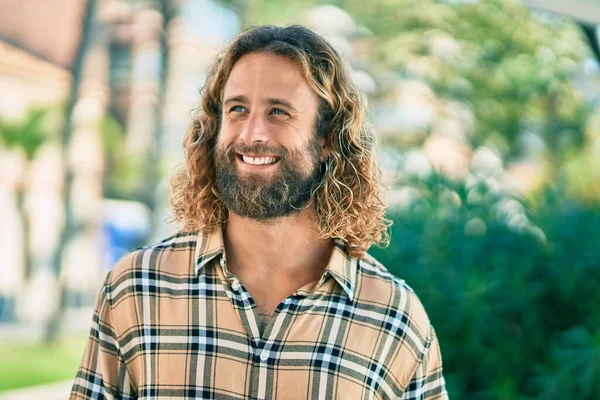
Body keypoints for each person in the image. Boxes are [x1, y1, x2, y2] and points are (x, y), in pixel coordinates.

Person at [71, 25, 448, 400]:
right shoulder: (136, 290)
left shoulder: (394, 318)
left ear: (328, 140)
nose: (252, 134)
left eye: (278, 113)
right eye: (237, 109)